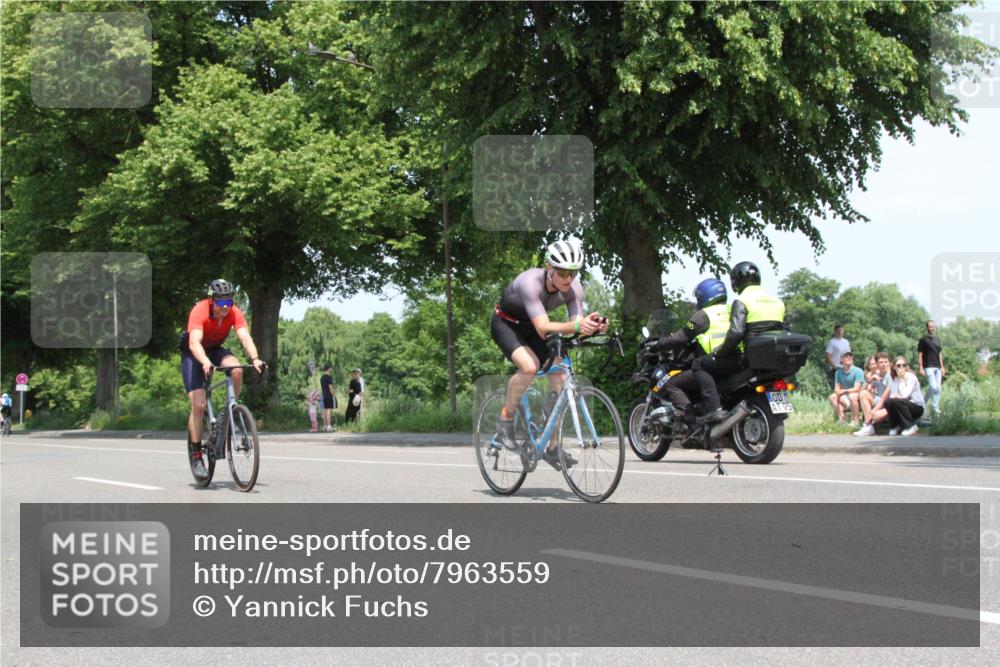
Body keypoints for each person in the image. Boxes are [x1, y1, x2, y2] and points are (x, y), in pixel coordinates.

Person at [490, 238, 607, 470]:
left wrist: (592, 327)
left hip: (534, 327)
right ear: (550, 268)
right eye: (562, 272)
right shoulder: (529, 283)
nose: (568, 278)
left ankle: (552, 447)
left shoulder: (575, 290)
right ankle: (504, 420)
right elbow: (544, 327)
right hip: (507, 325)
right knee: (529, 366)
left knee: (560, 374)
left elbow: (574, 329)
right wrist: (576, 326)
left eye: (573, 273)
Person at [180, 279, 265, 478]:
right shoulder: (199, 310)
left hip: (216, 349)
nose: (225, 308)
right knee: (199, 405)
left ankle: (229, 410)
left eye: (229, 302)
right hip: (193, 353)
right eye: (221, 303)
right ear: (212, 301)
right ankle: (196, 455)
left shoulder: (234, 312)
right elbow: (194, 342)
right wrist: (205, 361)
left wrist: (255, 358)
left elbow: (245, 337)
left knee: (236, 370)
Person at [649, 278, 730, 430]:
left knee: (672, 383)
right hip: (733, 361)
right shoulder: (731, 310)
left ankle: (689, 422)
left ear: (705, 296)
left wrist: (659, 345)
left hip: (711, 363)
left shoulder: (704, 315)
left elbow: (682, 337)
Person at [696, 261, 785, 379]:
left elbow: (736, 332)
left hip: (751, 357)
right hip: (774, 357)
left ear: (736, 281)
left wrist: (720, 352)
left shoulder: (742, 300)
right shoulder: (778, 301)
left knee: (700, 366)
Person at [873, 356, 926, 436]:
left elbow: (905, 395)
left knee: (898, 401)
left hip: (916, 407)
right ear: (894, 367)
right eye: (898, 365)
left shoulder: (911, 377)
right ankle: (895, 426)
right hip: (903, 405)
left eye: (903, 365)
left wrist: (901, 379)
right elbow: (892, 395)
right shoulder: (894, 378)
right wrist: (896, 395)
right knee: (888, 402)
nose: (901, 367)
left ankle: (911, 426)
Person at [854, 352, 891, 436]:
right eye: (881, 362)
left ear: (889, 363)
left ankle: (867, 423)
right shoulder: (876, 375)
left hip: (890, 404)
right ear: (877, 364)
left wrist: (873, 411)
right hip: (880, 401)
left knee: (876, 414)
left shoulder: (890, 376)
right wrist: (869, 380)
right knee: (863, 394)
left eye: (886, 362)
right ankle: (869, 427)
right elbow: (861, 393)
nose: (883, 364)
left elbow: (885, 397)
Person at [917, 320, 946, 415]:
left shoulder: (938, 339)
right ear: (927, 328)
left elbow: (939, 354)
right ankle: (932, 406)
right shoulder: (923, 340)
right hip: (928, 366)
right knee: (934, 387)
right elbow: (920, 354)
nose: (932, 328)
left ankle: (933, 407)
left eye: (934, 326)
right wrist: (921, 367)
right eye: (930, 327)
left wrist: (942, 367)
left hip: (938, 366)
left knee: (937, 388)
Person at [828, 351, 864, 424]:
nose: (849, 357)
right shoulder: (838, 372)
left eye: (850, 356)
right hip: (847, 397)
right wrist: (838, 392)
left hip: (859, 397)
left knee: (852, 395)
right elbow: (837, 388)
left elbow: (857, 389)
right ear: (841, 359)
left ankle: (855, 420)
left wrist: (843, 391)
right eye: (846, 356)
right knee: (832, 397)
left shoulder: (858, 371)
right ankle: (842, 419)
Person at [825, 325, 851, 391]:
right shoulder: (832, 342)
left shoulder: (846, 342)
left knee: (846, 387)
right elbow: (828, 357)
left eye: (841, 330)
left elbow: (849, 355)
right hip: (835, 369)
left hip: (845, 368)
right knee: (836, 388)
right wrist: (835, 366)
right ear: (835, 331)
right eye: (838, 330)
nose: (840, 332)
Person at [320, 363, 337, 432]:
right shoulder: (329, 377)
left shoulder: (322, 377)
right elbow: (330, 387)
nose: (332, 369)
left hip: (323, 395)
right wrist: (334, 394)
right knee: (329, 410)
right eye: (331, 368)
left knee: (325, 410)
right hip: (329, 395)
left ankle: (325, 426)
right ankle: (329, 426)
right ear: (328, 368)